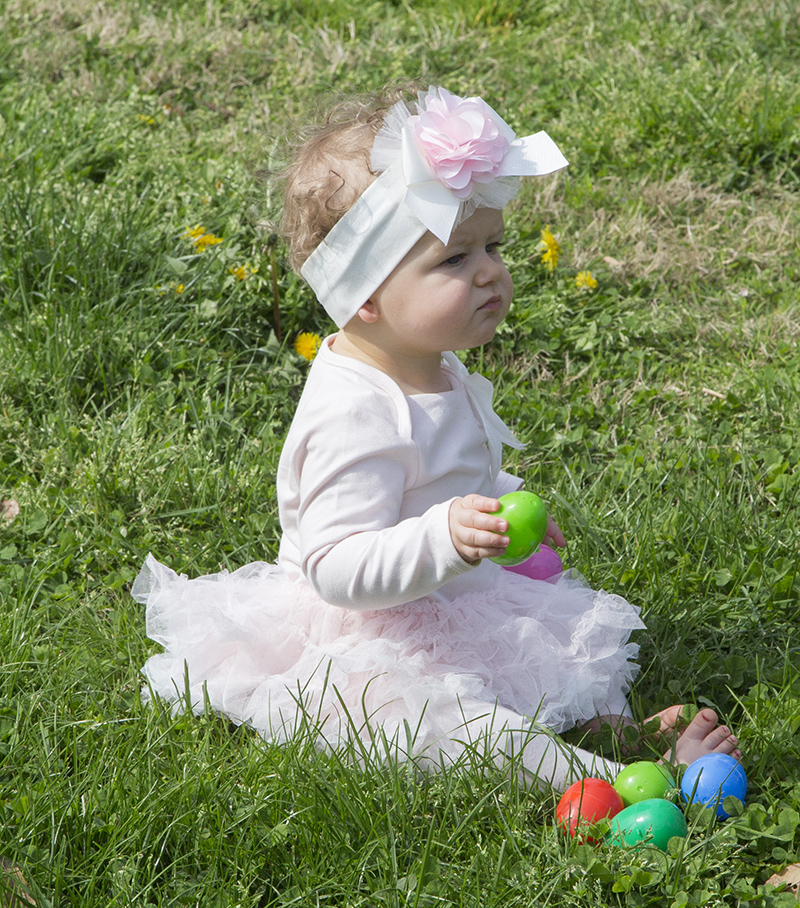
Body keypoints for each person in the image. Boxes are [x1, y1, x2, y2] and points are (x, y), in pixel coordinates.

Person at [132, 85, 741, 789]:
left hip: (455, 599)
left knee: (553, 645)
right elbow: (335, 565)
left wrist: (496, 508)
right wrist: (445, 537)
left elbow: (452, 469)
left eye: (492, 246)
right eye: (454, 259)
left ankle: (605, 727)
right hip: (370, 635)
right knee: (464, 729)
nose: (489, 271)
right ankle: (607, 780)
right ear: (363, 296)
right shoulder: (353, 412)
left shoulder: (431, 364)